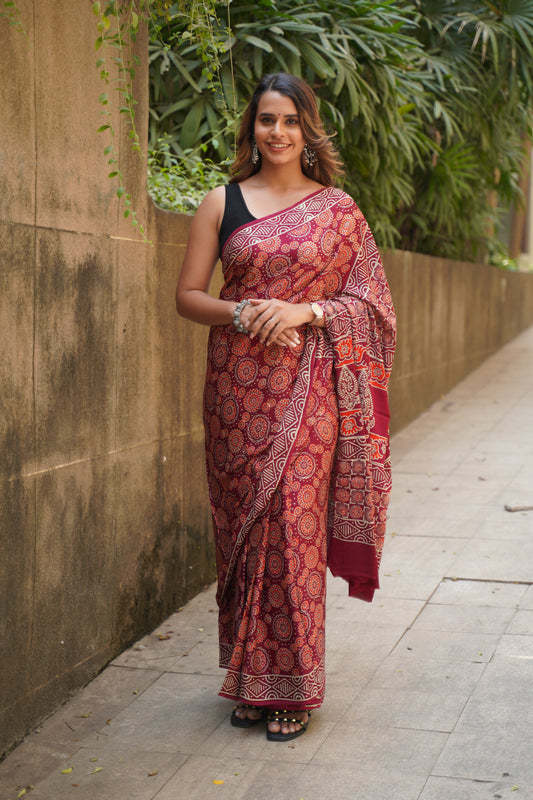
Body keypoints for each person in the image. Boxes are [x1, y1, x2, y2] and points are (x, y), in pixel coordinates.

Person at [175, 72, 396, 742]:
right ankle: (248, 681)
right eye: (266, 120)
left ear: (308, 130)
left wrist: (307, 308)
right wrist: (244, 312)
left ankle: (294, 689)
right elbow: (188, 297)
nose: (277, 133)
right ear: (252, 128)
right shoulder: (222, 203)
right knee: (241, 535)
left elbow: (373, 309)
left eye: (290, 121)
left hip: (312, 389)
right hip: (235, 392)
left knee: (292, 527)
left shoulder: (340, 209)